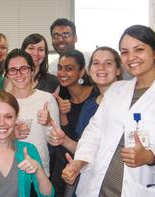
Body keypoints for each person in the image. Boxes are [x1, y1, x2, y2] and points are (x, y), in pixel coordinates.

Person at [62, 25, 155, 197]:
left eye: (139, 49)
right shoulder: (116, 90)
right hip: (98, 187)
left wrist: (150, 156)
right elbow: (93, 133)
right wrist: (78, 163)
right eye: (125, 52)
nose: (131, 57)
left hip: (139, 188)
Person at [49, 46, 122, 196]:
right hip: (91, 182)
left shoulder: (129, 102)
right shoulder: (90, 106)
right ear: (90, 69)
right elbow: (85, 148)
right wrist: (64, 140)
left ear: (118, 69)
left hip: (118, 181)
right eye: (95, 63)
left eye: (108, 63)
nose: (101, 68)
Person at [4, 48, 59, 177]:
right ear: (7, 74)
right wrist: (11, 135)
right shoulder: (1, 101)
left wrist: (49, 122)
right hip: (8, 171)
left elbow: (54, 140)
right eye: (13, 70)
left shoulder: (46, 99)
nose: (19, 74)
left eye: (24, 68)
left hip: (38, 170)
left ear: (32, 71)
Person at [51, 49, 99, 196]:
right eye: (60, 68)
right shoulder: (59, 97)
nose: (62, 73)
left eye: (69, 69)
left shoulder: (97, 95)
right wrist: (62, 114)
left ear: (82, 72)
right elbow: (66, 138)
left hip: (93, 165)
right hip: (67, 162)